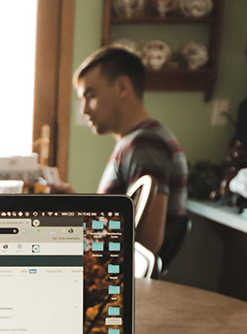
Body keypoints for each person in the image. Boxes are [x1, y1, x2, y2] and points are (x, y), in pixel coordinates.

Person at [50, 46, 187, 255]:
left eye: (91, 95)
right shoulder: (136, 141)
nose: (84, 109)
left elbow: (146, 245)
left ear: (123, 87)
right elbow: (120, 226)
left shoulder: (146, 145)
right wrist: (78, 206)